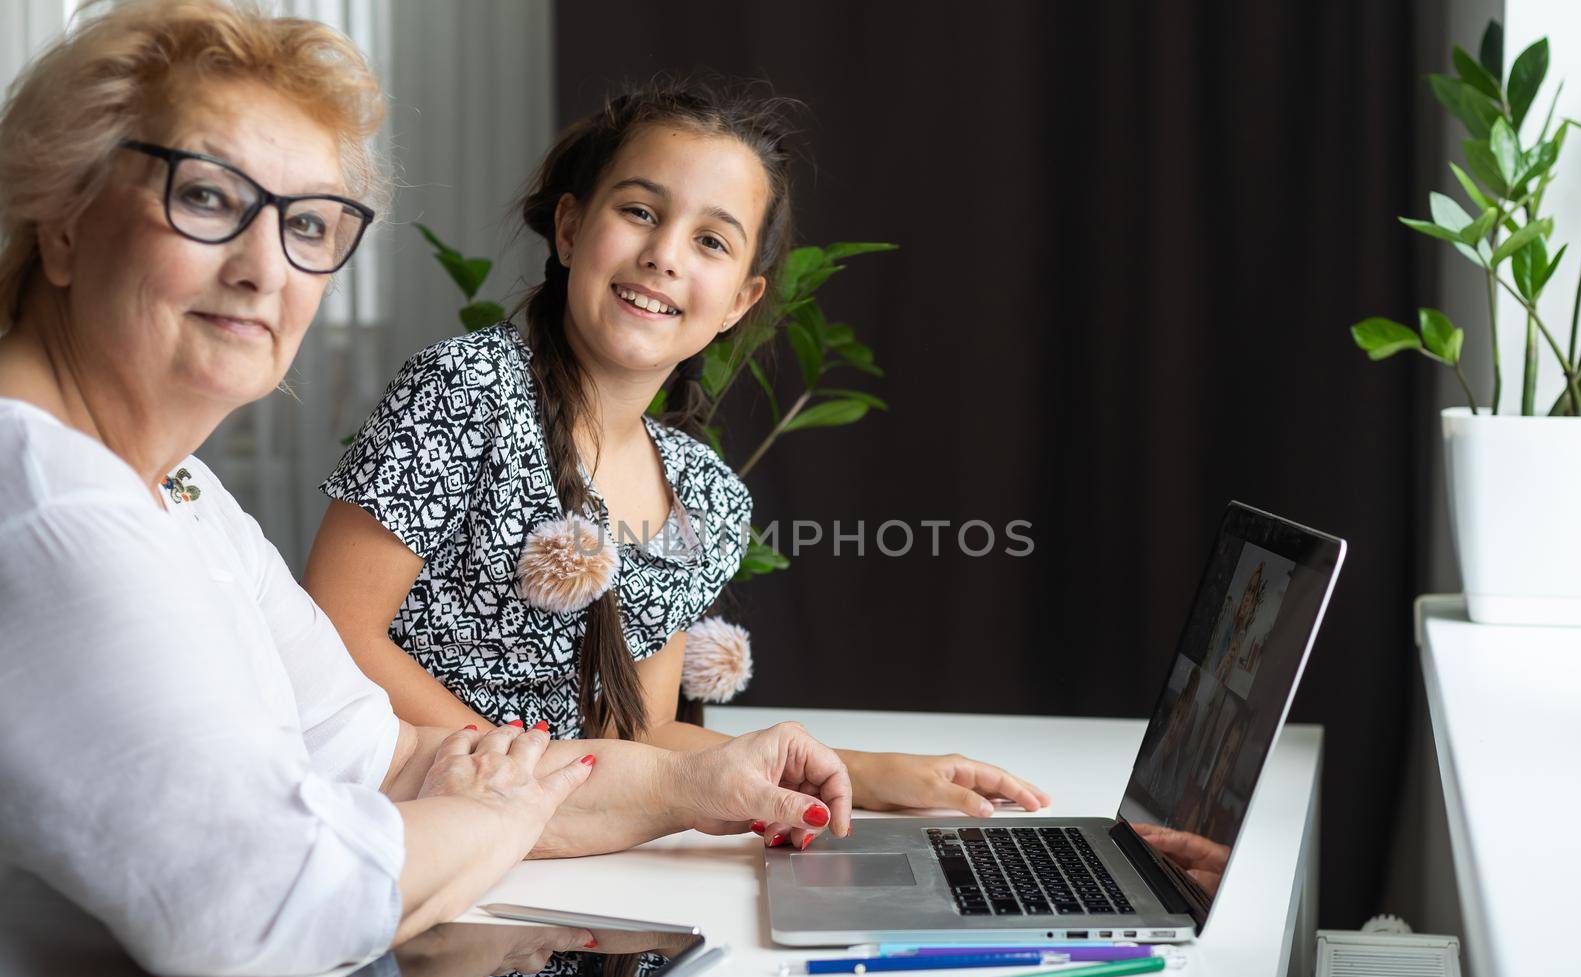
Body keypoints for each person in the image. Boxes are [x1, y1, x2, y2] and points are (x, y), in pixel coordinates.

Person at [0, 3, 851, 977]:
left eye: (308, 223)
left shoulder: (179, 497)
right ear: (65, 217)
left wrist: (689, 783)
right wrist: (500, 817)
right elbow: (264, 897)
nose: (268, 268)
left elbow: (382, 749)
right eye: (209, 198)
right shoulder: (48, 510)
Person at [306, 76, 1051, 851]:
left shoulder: (705, 498)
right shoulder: (466, 391)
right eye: (639, 212)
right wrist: (525, 778)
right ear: (569, 229)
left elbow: (642, 735)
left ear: (739, 300)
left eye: (710, 241)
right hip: (406, 830)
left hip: (560, 848)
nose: (663, 255)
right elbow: (333, 632)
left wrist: (864, 772)